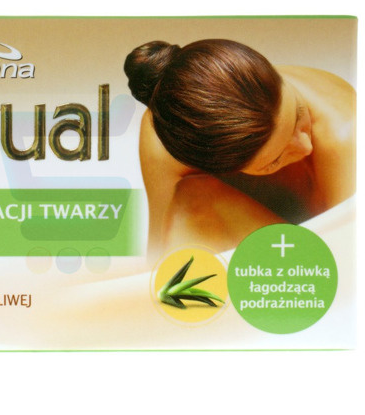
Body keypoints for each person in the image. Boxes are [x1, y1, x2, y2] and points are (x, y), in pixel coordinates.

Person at [125, 39, 356, 260]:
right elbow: (159, 257)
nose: (305, 146)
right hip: (275, 247)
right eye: (274, 160)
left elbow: (347, 268)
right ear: (223, 169)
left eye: (298, 113)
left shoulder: (346, 133)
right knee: (190, 202)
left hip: (325, 260)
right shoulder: (168, 135)